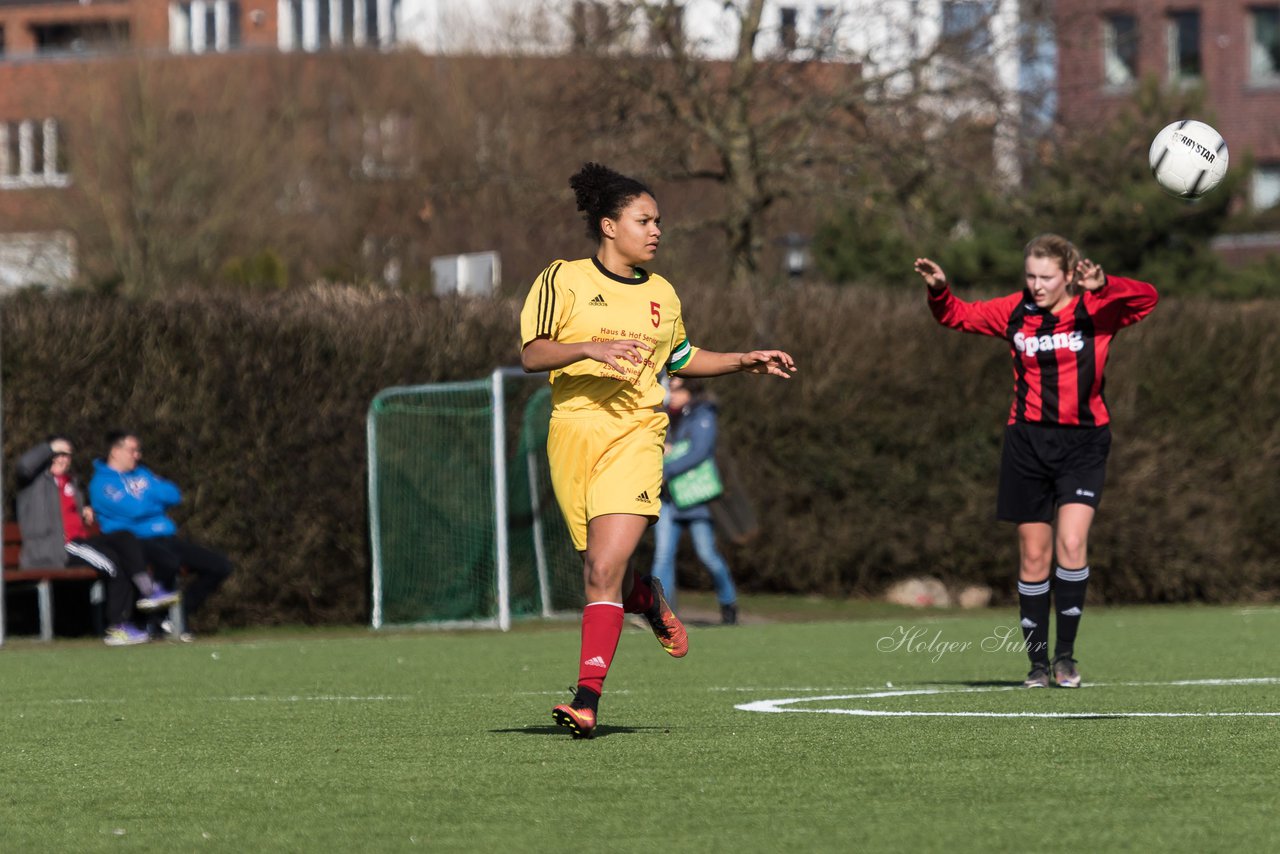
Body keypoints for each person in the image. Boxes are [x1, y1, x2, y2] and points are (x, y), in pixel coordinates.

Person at [520, 162, 796, 738]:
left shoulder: (663, 294)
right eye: (644, 220)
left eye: (659, 221)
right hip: (574, 431)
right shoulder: (562, 278)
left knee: (602, 568)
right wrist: (590, 346)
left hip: (638, 436)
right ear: (608, 225)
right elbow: (533, 353)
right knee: (605, 576)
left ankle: (586, 699)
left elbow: (681, 359)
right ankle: (647, 597)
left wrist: (743, 359)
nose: (656, 231)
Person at [913, 234, 1158, 689]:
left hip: (1084, 443)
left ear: (1068, 275)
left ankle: (1065, 658)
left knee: (1071, 544)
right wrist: (939, 289)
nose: (1038, 285)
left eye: (1047, 277)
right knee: (1033, 555)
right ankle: (1037, 666)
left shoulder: (1095, 309)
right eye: (1031, 275)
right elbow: (956, 316)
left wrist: (1104, 284)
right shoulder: (1014, 311)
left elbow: (1147, 298)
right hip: (1027, 444)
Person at [15, 436, 180, 646]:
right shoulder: (34, 482)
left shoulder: (71, 482)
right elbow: (23, 467)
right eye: (57, 454)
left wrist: (84, 509)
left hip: (77, 543)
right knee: (112, 565)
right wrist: (49, 447)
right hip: (57, 549)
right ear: (46, 455)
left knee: (124, 537)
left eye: (67, 455)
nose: (62, 459)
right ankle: (117, 628)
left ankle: (148, 589)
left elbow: (65, 512)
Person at [88, 430, 233, 640]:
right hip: (135, 542)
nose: (137, 455)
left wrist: (147, 496)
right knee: (168, 562)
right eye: (132, 450)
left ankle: (176, 616)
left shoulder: (142, 473)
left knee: (220, 566)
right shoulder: (102, 484)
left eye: (138, 450)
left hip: (166, 538)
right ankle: (153, 622)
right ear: (115, 451)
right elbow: (133, 509)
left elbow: (174, 494)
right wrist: (153, 496)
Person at [652, 375, 739, 625]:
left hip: (695, 498)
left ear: (690, 390)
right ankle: (661, 615)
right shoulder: (664, 414)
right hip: (669, 499)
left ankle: (728, 602)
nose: (671, 393)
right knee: (662, 557)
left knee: (707, 555)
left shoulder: (703, 414)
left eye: (676, 388)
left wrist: (666, 468)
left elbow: (698, 452)